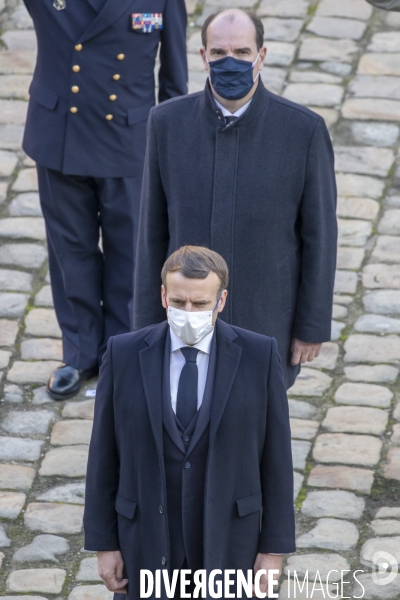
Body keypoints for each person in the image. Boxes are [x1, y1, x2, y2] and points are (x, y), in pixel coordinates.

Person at [133, 9, 337, 390]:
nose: (231, 62)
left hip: (265, 319)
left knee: (256, 436)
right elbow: (151, 233)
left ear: (261, 56)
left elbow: (319, 238)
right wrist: (146, 324)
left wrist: (311, 326)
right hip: (186, 319)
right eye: (219, 52)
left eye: (242, 52)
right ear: (203, 57)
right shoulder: (166, 124)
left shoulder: (303, 132)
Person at [84, 245, 296, 599]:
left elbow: (276, 457)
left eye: (199, 304)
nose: (187, 312)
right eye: (179, 302)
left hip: (230, 540)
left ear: (221, 300)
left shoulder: (259, 355)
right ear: (163, 295)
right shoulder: (123, 354)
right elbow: (104, 453)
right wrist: (104, 544)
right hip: (146, 539)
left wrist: (273, 550)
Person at [22, 0, 188, 400]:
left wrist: (171, 143)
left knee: (129, 253)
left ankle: (121, 352)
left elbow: (173, 76)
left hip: (128, 142)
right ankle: (78, 354)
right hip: (61, 133)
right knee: (70, 249)